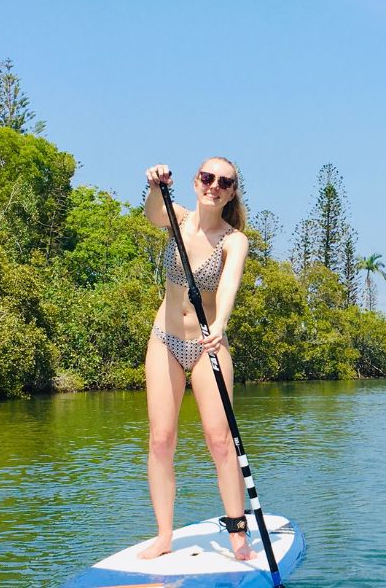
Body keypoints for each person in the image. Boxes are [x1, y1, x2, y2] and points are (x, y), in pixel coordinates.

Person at [140, 158, 253, 560]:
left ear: (232, 191)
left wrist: (220, 322)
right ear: (195, 182)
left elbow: (228, 285)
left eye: (225, 182)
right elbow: (154, 214)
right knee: (161, 439)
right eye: (208, 178)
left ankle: (237, 533)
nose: (215, 186)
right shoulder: (177, 216)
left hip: (209, 344)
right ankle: (164, 535)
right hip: (165, 339)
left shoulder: (233, 239)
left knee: (220, 442)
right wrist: (156, 185)